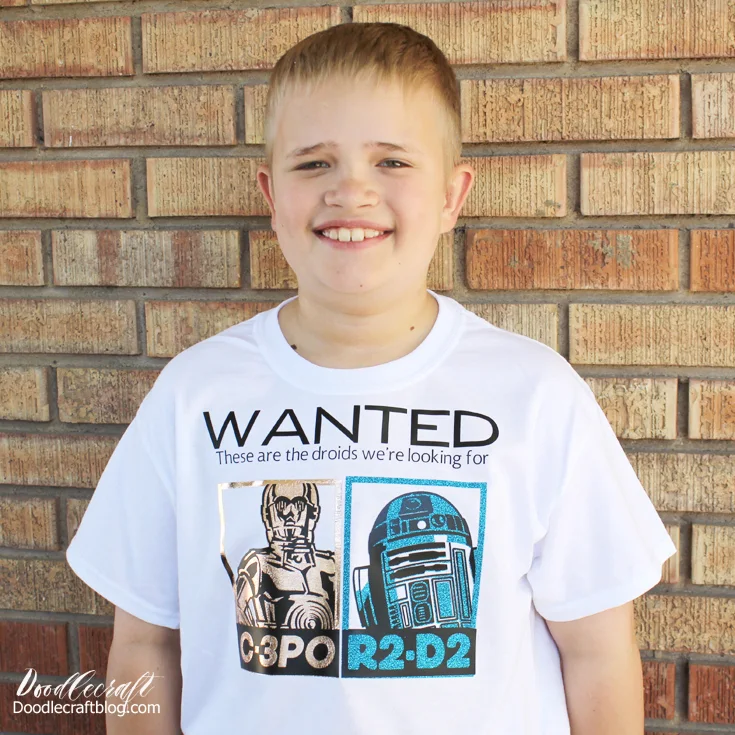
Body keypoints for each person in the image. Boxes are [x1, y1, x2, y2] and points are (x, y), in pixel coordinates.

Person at [66, 21, 677, 735]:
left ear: (451, 197)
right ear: (270, 193)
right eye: (313, 163)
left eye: (390, 161)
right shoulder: (192, 396)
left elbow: (597, 651)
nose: (350, 190)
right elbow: (144, 644)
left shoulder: (536, 395)